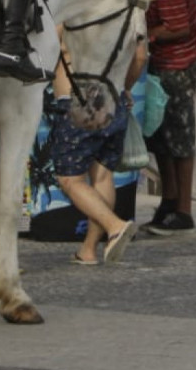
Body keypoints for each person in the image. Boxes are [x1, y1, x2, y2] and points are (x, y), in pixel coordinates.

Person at [109, 0, 196, 236]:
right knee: (161, 136)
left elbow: (181, 26)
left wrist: (148, 34)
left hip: (179, 63)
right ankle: (169, 201)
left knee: (179, 136)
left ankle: (184, 211)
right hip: (162, 62)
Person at [49, 35, 147, 265]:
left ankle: (115, 226)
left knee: (69, 180)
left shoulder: (69, 16)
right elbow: (140, 56)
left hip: (78, 100)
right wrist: (127, 87)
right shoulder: (130, 15)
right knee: (102, 176)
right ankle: (88, 250)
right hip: (115, 98)